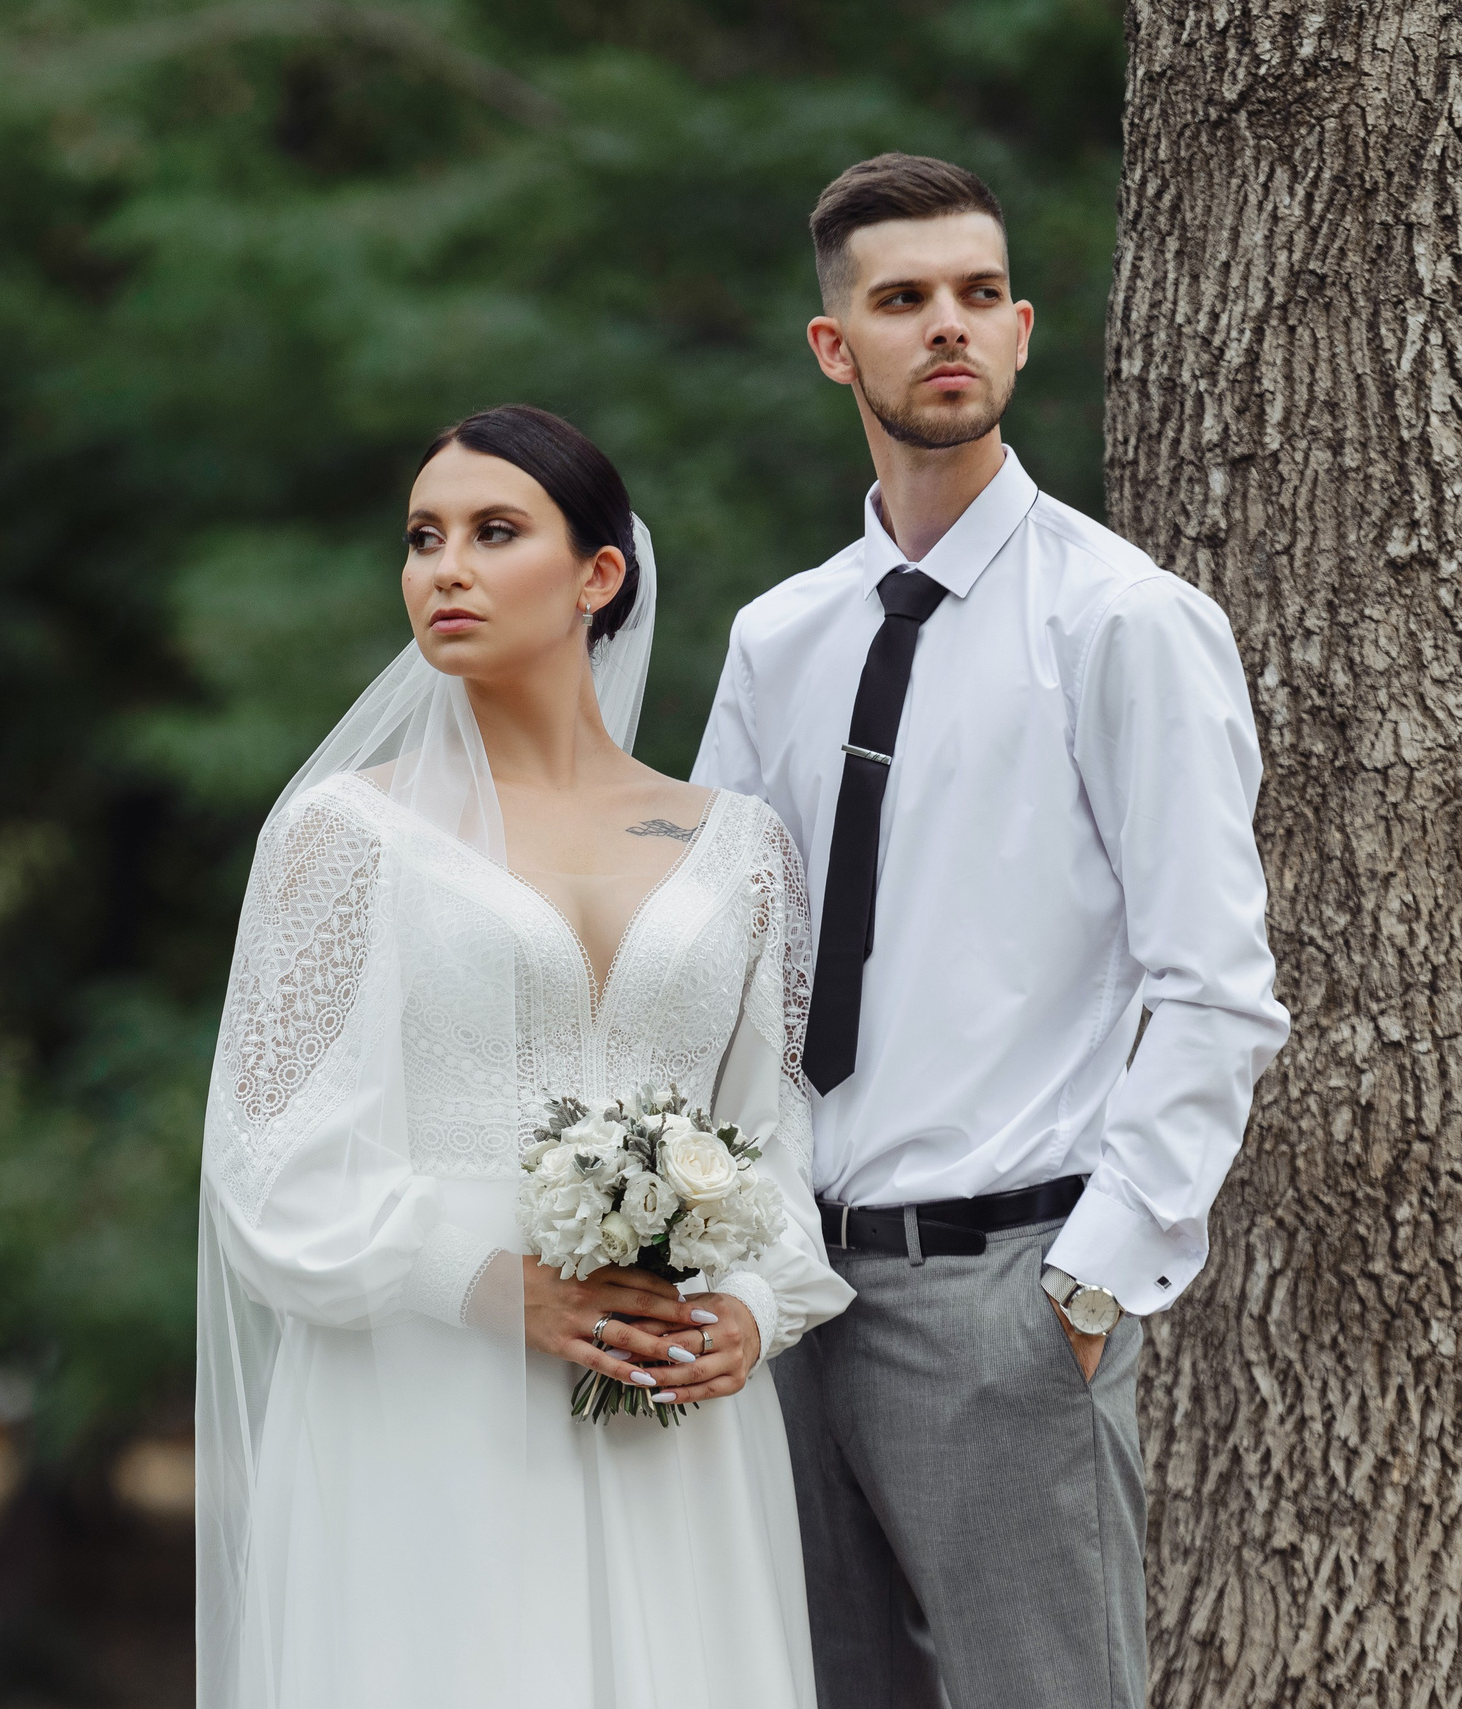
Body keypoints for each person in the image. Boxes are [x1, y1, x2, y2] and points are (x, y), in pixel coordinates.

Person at [692, 153, 1291, 1709]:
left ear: (1021, 332)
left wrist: (1092, 1282)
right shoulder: (780, 639)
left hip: (1006, 1295)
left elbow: (1216, 987)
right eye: (901, 301)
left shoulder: (1123, 621)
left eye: (975, 297)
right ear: (839, 347)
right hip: (789, 1300)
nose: (944, 328)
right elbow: (721, 960)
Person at [196, 404, 855, 1708]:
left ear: (598, 576)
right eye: (423, 537)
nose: (444, 567)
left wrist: (756, 1310)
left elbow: (774, 1140)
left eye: (495, 532)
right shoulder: (344, 836)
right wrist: (492, 1281)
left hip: (673, 1408)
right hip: (435, 1391)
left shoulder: (741, 846)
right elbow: (259, 1163)